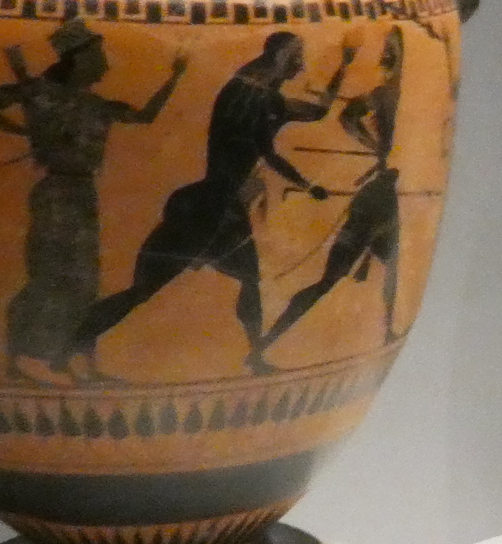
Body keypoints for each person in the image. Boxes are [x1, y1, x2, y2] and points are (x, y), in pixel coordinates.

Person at [73, 29, 339, 376]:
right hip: (213, 208)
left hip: (212, 203)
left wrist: (344, 66)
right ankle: (75, 340)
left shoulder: (244, 90)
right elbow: (270, 152)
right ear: (280, 58)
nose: (302, 66)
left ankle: (254, 355)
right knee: (148, 290)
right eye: (297, 57)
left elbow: (314, 113)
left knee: (237, 280)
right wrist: (308, 185)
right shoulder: (259, 98)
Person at [0, 17, 183, 381]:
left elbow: (145, 116)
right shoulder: (39, 92)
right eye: (99, 55)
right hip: (55, 192)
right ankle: (14, 361)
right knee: (49, 276)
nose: (105, 65)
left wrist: (175, 77)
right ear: (80, 58)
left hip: (82, 192)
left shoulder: (94, 103)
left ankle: (81, 363)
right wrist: (24, 130)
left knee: (85, 279)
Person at [268, 28, 405, 351]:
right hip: (375, 198)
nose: (387, 59)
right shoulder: (384, 94)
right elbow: (349, 115)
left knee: (391, 271)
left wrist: (380, 153)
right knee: (330, 280)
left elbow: (350, 116)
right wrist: (377, 149)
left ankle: (388, 331)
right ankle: (267, 340)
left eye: (392, 54)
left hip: (383, 192)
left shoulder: (392, 94)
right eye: (388, 53)